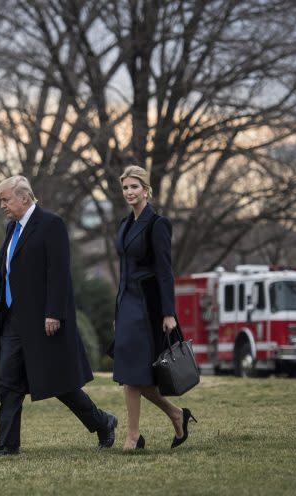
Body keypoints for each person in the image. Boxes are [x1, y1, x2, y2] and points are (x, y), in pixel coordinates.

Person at [0, 175, 118, 457]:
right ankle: (8, 445)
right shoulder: (11, 229)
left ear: (24, 197)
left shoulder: (51, 224)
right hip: (13, 319)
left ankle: (103, 422)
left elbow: (58, 272)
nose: (2, 206)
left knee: (59, 383)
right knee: (8, 380)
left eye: (5, 200)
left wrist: (53, 312)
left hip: (42, 319)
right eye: (0, 201)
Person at [113, 165, 197, 450]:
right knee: (131, 373)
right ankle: (175, 415)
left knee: (134, 373)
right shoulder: (124, 225)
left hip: (147, 307)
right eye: (125, 187)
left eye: (134, 187)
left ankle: (133, 436)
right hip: (126, 304)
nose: (129, 192)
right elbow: (124, 269)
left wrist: (168, 312)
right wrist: (118, 308)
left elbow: (164, 271)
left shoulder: (157, 224)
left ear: (146, 189)